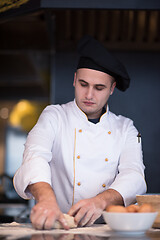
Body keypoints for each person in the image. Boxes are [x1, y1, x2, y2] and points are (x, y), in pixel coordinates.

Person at [13, 35, 146, 230]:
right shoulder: (54, 116)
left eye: (99, 88)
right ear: (75, 80)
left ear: (112, 88)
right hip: (57, 228)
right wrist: (46, 199)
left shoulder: (126, 128)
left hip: (107, 231)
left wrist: (100, 201)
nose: (89, 95)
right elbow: (35, 156)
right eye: (84, 84)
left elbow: (134, 175)